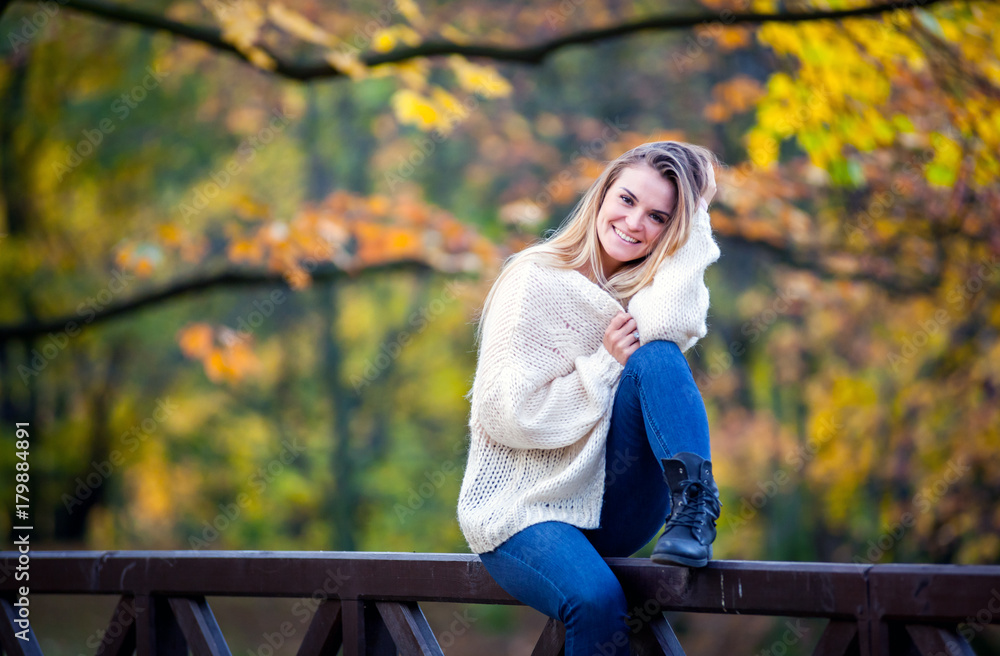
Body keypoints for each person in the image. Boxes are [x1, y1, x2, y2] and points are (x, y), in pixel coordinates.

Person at [455, 141, 723, 656]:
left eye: (659, 217)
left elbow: (668, 329)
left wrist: (698, 213)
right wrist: (602, 365)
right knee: (597, 601)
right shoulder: (534, 278)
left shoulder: (645, 290)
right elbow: (506, 414)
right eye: (626, 200)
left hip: (612, 504)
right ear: (602, 196)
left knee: (657, 356)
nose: (634, 222)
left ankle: (695, 511)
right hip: (523, 510)